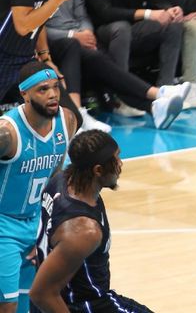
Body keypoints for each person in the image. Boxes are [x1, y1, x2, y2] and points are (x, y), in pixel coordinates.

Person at [29, 131, 155, 312]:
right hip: (82, 305)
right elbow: (41, 294)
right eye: (116, 159)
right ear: (98, 170)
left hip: (64, 295)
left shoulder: (61, 180)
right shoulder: (84, 231)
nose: (121, 164)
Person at [0, 62, 79, 313]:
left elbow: (56, 178)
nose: (53, 94)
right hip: (3, 225)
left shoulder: (67, 121)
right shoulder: (7, 134)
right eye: (43, 89)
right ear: (24, 94)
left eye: (55, 87)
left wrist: (46, 227)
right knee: (7, 305)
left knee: (30, 301)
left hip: (36, 223)